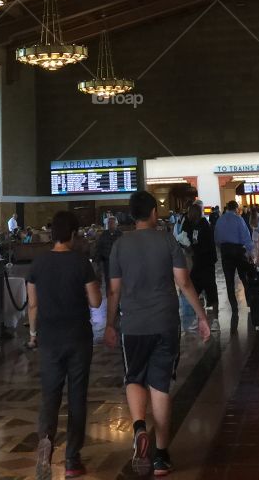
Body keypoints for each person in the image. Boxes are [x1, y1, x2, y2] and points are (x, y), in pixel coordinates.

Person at [104, 190, 211, 477]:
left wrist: (110, 324)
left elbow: (113, 290)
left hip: (133, 325)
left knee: (134, 378)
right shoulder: (167, 240)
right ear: (153, 213)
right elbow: (184, 282)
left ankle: (140, 428)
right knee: (160, 385)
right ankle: (161, 456)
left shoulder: (120, 245)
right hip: (165, 322)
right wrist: (201, 317)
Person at [28, 211, 101, 480]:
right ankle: (72, 460)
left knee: (50, 395)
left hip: (49, 339)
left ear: (52, 233)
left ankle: (46, 443)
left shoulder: (38, 263)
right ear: (72, 234)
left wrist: (32, 334)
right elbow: (95, 302)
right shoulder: (81, 262)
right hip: (78, 337)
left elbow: (32, 305)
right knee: (77, 397)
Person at [213, 200, 253, 319]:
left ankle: (234, 308)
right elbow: (245, 236)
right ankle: (250, 302)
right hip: (239, 251)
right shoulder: (238, 219)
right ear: (236, 208)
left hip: (226, 252)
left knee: (229, 281)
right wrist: (250, 252)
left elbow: (217, 238)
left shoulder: (220, 220)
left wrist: (222, 248)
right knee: (244, 278)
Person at [184, 204, 219, 313]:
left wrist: (191, 248)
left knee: (205, 288)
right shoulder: (196, 225)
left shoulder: (202, 226)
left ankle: (209, 315)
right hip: (202, 261)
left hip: (204, 262)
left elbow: (202, 245)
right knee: (208, 288)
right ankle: (207, 315)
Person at [94, 215, 122, 288]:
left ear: (116, 224)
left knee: (118, 280)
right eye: (109, 223)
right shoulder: (104, 234)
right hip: (107, 261)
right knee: (108, 280)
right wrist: (97, 261)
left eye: (112, 223)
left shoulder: (120, 234)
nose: (110, 224)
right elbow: (99, 247)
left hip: (118, 262)